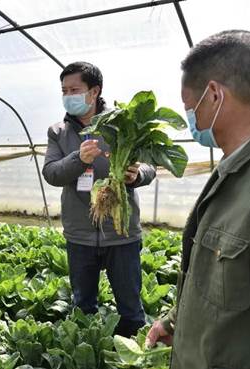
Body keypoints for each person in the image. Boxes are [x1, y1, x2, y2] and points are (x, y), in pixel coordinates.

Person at [146, 30, 250, 368]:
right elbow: (225, 288)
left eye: (190, 108)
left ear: (214, 95)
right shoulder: (237, 167)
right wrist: (175, 324)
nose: (191, 121)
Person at [43, 61, 156, 337]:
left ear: (94, 92)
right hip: (80, 234)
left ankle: (135, 354)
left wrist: (136, 175)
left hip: (121, 233)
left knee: (130, 307)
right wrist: (78, 159)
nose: (68, 96)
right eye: (64, 91)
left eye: (75, 89)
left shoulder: (122, 125)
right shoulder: (58, 132)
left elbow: (150, 166)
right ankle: (86, 350)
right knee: (82, 304)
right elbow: (51, 173)